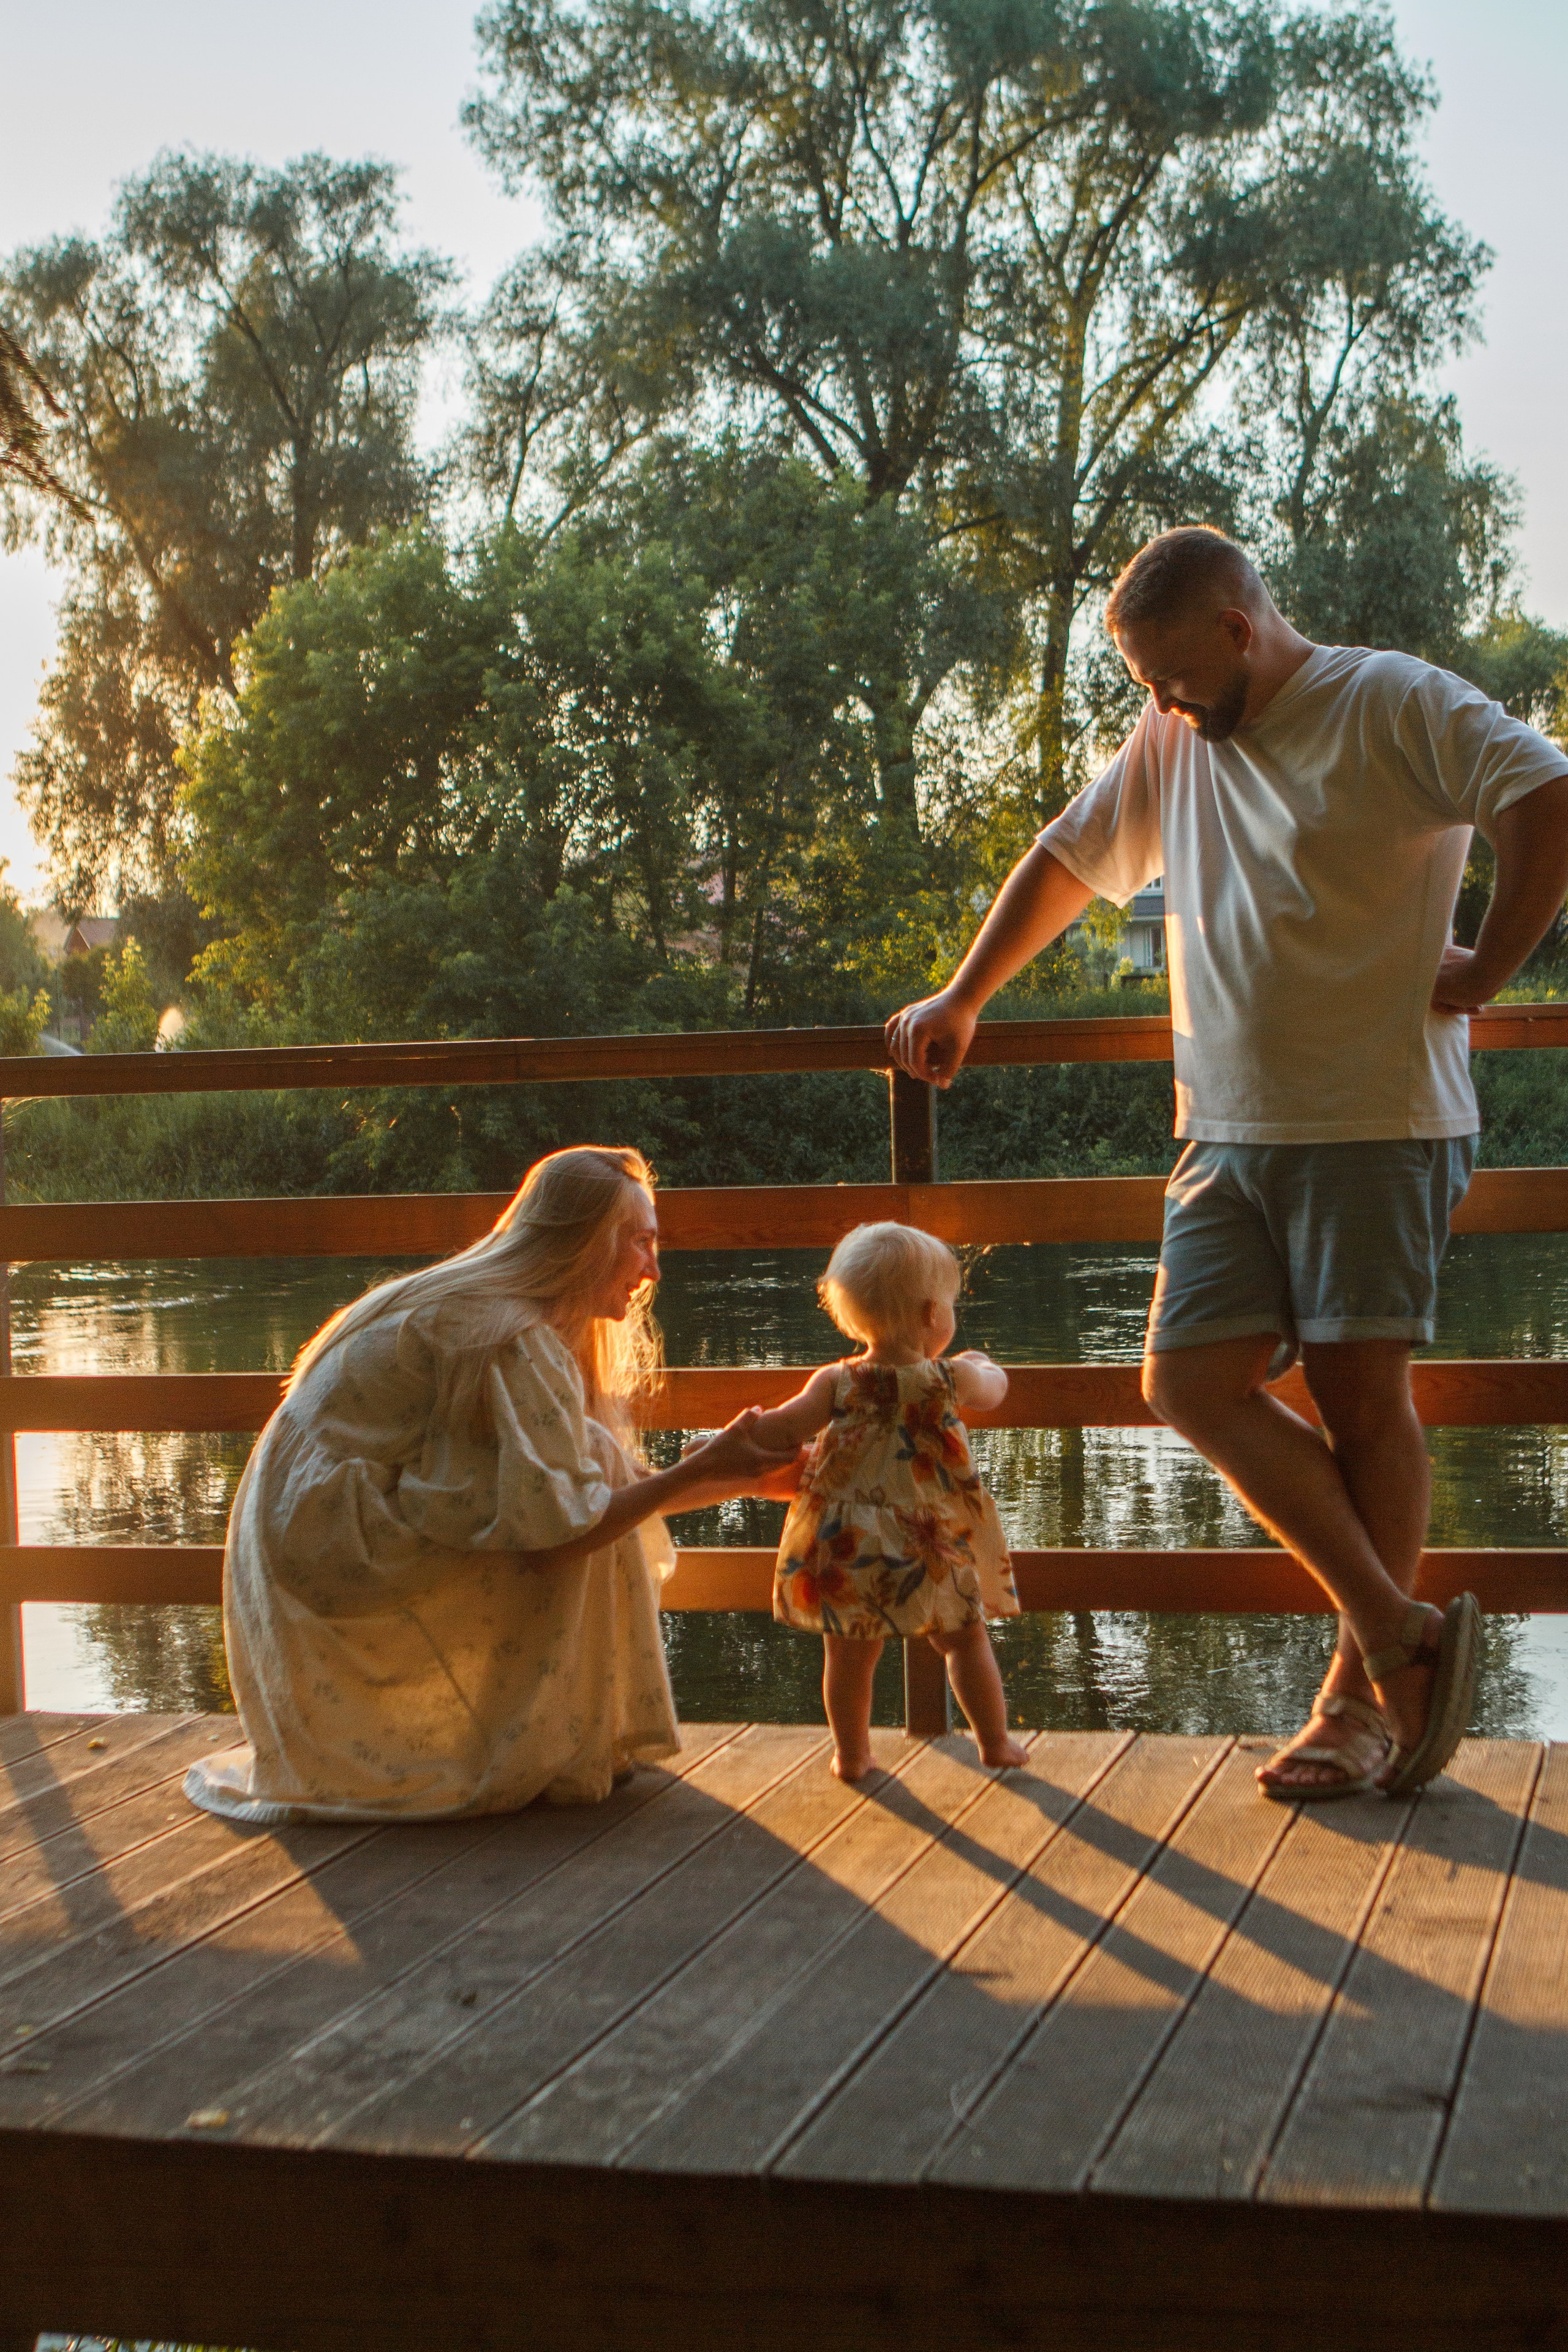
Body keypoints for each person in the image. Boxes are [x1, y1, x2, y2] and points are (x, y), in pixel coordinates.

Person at [886, 526, 1568, 1800]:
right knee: (1185, 1382)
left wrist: (1487, 968)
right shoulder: (1171, 738)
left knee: (1362, 1401)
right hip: (1222, 1124)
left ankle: (1353, 1707)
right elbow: (1067, 857)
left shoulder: (1390, 701)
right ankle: (1400, 1633)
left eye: (1173, 677)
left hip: (1374, 1120)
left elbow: (1547, 793)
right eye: (1146, 686)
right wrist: (965, 993)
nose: (1162, 705)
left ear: (1238, 630)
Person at [184, 1146, 799, 1824]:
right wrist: (702, 1468)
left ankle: (550, 1741)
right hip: (331, 1540)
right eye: (641, 1242)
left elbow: (578, 1493)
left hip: (298, 1527)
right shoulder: (511, 1336)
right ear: (585, 1243)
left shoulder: (493, 1308)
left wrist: (740, 1478)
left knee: (589, 1458)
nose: (654, 1270)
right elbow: (561, 1535)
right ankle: (542, 1749)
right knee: (568, 1510)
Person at [755, 1221, 1027, 1782]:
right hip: (931, 1538)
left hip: (847, 1537)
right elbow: (996, 1390)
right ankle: (995, 1742)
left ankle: (852, 1755)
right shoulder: (948, 1379)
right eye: (951, 1304)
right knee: (964, 1639)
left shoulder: (836, 1381)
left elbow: (783, 1427)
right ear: (932, 1315)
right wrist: (982, 1363)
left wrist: (737, 1437)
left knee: (848, 1654)